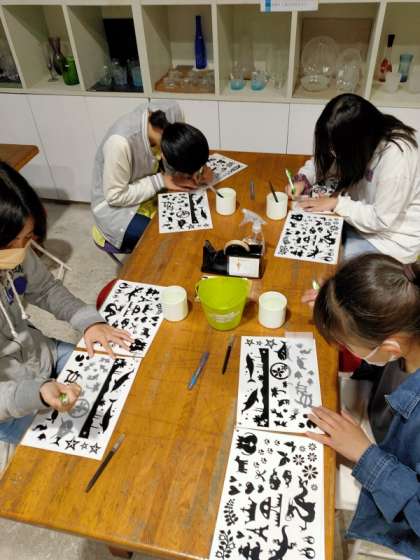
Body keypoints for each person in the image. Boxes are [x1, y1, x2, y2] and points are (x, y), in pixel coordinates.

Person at [0, 162, 132, 469]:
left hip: (40, 353)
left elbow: (45, 289)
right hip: (10, 401)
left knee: (120, 374)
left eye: (28, 237)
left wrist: (88, 321)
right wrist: (36, 393)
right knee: (67, 466)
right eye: (10, 244)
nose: (22, 250)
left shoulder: (16, 249)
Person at [307, 253, 420, 558]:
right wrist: (337, 316)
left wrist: (365, 454)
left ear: (390, 346)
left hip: (387, 475)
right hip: (372, 420)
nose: (345, 349)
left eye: (347, 344)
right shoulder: (407, 334)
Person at [286, 94, 420, 263]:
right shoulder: (367, 133)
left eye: (337, 150)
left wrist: (337, 204)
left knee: (325, 265)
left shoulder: (398, 160)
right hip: (359, 219)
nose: (333, 153)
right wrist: (303, 178)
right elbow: (329, 162)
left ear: (357, 144)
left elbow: (380, 220)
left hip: (388, 241)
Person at [91, 101, 213, 252]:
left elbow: (184, 147)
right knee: (172, 238)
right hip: (116, 208)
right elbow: (114, 196)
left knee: (194, 221)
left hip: (149, 185)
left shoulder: (173, 111)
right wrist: (161, 180)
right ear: (164, 154)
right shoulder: (120, 143)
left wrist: (199, 170)